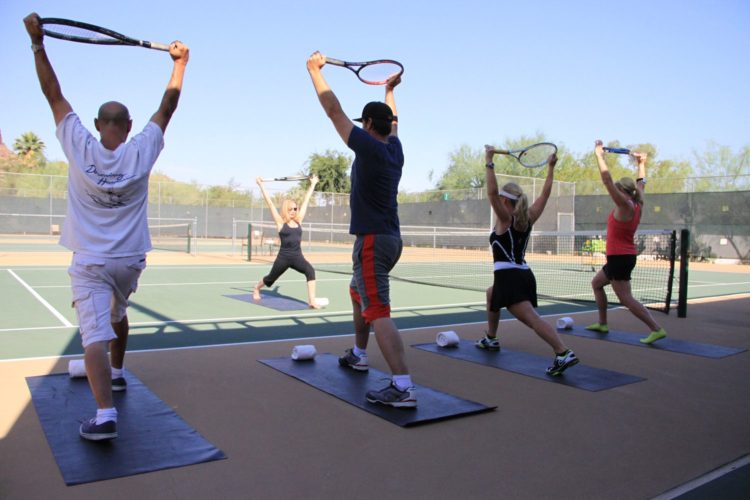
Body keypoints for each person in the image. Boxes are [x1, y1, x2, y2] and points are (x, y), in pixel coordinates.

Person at [24, 12, 189, 440]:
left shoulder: (78, 142)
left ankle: (105, 415)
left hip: (93, 262)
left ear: (98, 126)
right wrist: (180, 63)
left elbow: (52, 91)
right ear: (129, 126)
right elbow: (167, 106)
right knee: (118, 314)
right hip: (130, 262)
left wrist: (38, 43)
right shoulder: (142, 149)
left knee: (92, 335)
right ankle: (117, 373)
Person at [307, 51, 416, 408]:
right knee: (358, 292)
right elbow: (395, 122)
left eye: (364, 122)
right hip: (391, 239)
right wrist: (389, 90)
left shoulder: (369, 148)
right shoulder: (395, 149)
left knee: (378, 310)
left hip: (372, 241)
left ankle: (402, 387)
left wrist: (315, 73)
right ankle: (359, 353)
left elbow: (333, 112)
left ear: (368, 124)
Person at [477, 145, 580, 376]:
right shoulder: (528, 217)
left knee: (532, 320)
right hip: (522, 274)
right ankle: (491, 338)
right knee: (491, 294)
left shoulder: (505, 218)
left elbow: (491, 193)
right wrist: (551, 168)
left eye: (501, 198)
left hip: (510, 278)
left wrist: (489, 160)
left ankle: (562, 352)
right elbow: (545, 194)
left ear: (505, 201)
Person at [586, 141, 667, 344]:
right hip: (619, 256)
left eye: (616, 189)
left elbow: (606, 179)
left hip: (620, 257)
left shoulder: (624, 205)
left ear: (622, 191)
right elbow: (641, 182)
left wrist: (599, 157)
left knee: (625, 299)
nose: (613, 190)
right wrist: (642, 163)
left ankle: (656, 328)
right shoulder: (637, 201)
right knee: (596, 284)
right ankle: (602, 323)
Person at [253, 175, 321, 308]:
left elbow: (306, 201)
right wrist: (261, 185)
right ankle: (256, 288)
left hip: (297, 257)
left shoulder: (298, 220)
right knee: (270, 279)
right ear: (285, 209)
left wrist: (313, 184)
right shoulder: (280, 223)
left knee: (310, 271)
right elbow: (270, 203)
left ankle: (312, 300)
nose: (293, 211)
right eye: (290, 209)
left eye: (295, 209)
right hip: (283, 258)